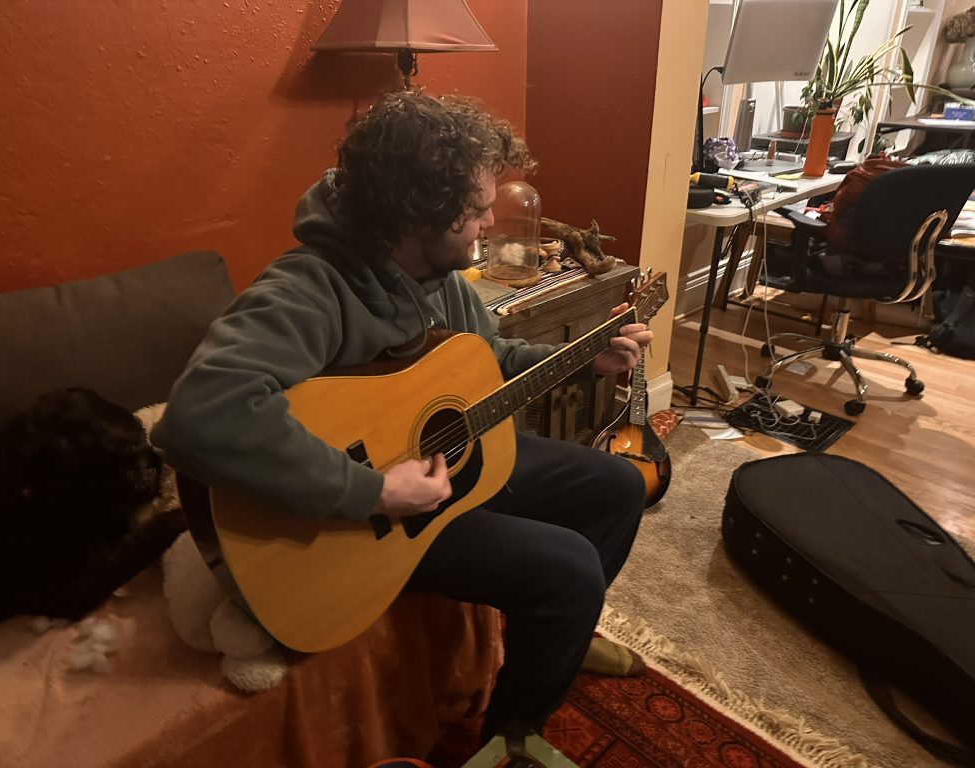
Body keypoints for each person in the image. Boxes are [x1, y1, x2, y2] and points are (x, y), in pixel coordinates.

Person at [152, 90, 653, 745]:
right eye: (475, 210)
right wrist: (375, 490)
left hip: (445, 468)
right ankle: (510, 742)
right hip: (362, 523)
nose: (487, 223)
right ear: (420, 214)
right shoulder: (309, 288)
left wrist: (586, 360)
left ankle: (561, 639)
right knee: (571, 570)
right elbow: (200, 413)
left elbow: (485, 360)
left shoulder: (439, 276)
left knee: (617, 485)